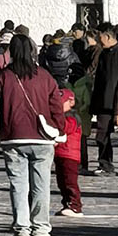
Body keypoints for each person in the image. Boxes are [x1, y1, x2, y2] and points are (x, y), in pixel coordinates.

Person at [0, 33, 61, 236]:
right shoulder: (45, 76)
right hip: (41, 137)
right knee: (42, 185)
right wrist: (58, 129)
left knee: (18, 185)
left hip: (13, 137)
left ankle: (22, 228)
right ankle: (41, 228)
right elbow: (56, 105)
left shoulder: (3, 77)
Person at [88, 26, 118, 176]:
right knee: (102, 134)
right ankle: (105, 164)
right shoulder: (104, 54)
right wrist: (95, 104)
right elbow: (99, 80)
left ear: (108, 37)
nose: (98, 40)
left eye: (101, 37)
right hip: (104, 102)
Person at [52, 87, 83, 217]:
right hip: (60, 154)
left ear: (71, 102)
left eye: (62, 103)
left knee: (70, 181)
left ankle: (75, 205)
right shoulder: (61, 116)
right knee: (61, 181)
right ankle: (67, 203)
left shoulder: (72, 117)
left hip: (70, 155)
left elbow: (65, 128)